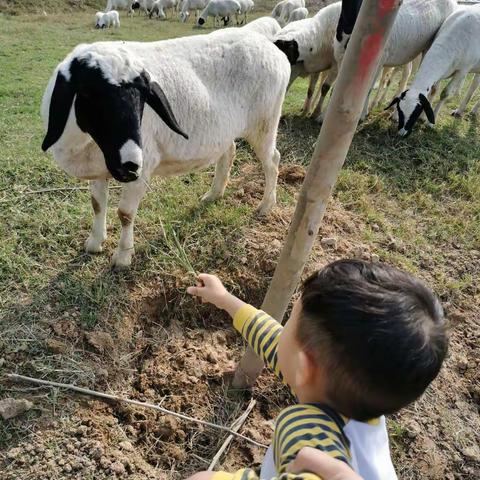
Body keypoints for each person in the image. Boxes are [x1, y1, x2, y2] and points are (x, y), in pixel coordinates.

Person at [186, 259, 448, 480]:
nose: (282, 332)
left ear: (304, 366)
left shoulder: (312, 440)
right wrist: (226, 300)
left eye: (289, 322)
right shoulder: (357, 401)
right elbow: (275, 346)